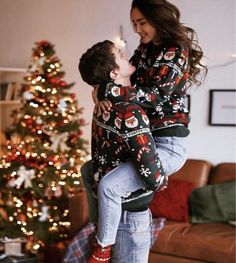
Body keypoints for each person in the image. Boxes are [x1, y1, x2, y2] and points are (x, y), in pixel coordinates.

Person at [81, 0, 207, 262]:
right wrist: (101, 88)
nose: (137, 30)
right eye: (134, 23)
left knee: (110, 186)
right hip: (145, 134)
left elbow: (157, 95)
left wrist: (109, 91)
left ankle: (102, 247)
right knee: (90, 170)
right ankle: (101, 231)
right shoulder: (147, 48)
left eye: (142, 23)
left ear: (157, 18)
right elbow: (126, 75)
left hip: (167, 143)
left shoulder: (175, 50)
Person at [79, 40, 167, 263]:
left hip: (109, 215)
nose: (125, 53)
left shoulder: (102, 105)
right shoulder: (128, 111)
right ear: (114, 72)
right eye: (119, 53)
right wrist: (160, 181)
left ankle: (98, 237)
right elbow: (147, 161)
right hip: (130, 218)